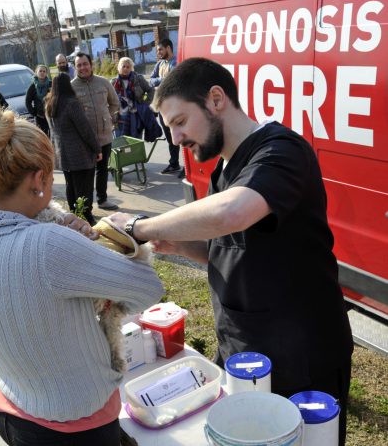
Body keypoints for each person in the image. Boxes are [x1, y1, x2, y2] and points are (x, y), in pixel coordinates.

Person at [111, 57, 354, 445]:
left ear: (217, 99)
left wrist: (139, 227)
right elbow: (234, 249)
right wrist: (182, 245)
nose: (175, 140)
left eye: (179, 122)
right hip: (246, 348)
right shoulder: (226, 167)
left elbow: (231, 214)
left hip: (302, 354)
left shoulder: (281, 151)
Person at [0, 103, 164, 446]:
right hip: (71, 426)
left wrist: (67, 239)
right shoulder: (47, 244)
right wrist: (124, 242)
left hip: (12, 404)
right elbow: (147, 288)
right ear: (38, 180)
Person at [46, 73, 101, 225]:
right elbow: (85, 130)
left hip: (62, 154)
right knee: (84, 187)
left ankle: (74, 214)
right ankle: (86, 217)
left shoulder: (49, 104)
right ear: (67, 85)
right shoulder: (71, 104)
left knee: (71, 186)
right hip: (80, 154)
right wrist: (97, 149)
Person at [71, 53, 120, 211]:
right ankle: (86, 206)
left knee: (103, 169)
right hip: (85, 139)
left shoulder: (103, 82)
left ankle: (102, 199)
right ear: (75, 67)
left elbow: (115, 103)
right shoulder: (72, 87)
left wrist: (108, 117)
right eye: (79, 65)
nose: (83, 67)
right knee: (87, 172)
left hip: (105, 136)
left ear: (91, 64)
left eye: (85, 64)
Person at [149, 39, 184, 177]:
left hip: (175, 107)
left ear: (168, 48)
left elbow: (171, 79)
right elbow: (151, 81)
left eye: (160, 50)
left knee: (182, 137)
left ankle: (187, 168)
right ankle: (174, 163)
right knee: (170, 138)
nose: (158, 53)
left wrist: (161, 80)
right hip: (163, 107)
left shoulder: (176, 63)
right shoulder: (160, 64)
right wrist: (161, 80)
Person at [111, 57, 153, 138]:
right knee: (121, 144)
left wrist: (145, 104)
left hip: (136, 117)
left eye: (128, 67)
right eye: (123, 66)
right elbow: (108, 99)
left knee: (136, 143)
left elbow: (151, 90)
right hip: (120, 119)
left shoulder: (139, 79)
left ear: (132, 68)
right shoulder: (113, 82)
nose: (126, 69)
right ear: (119, 68)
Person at [25, 64, 52, 136]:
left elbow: (57, 97)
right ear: (36, 72)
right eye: (40, 71)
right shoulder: (33, 86)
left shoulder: (51, 84)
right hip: (39, 117)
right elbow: (27, 101)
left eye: (44, 71)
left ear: (46, 73)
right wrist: (34, 112)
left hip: (51, 116)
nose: (42, 73)